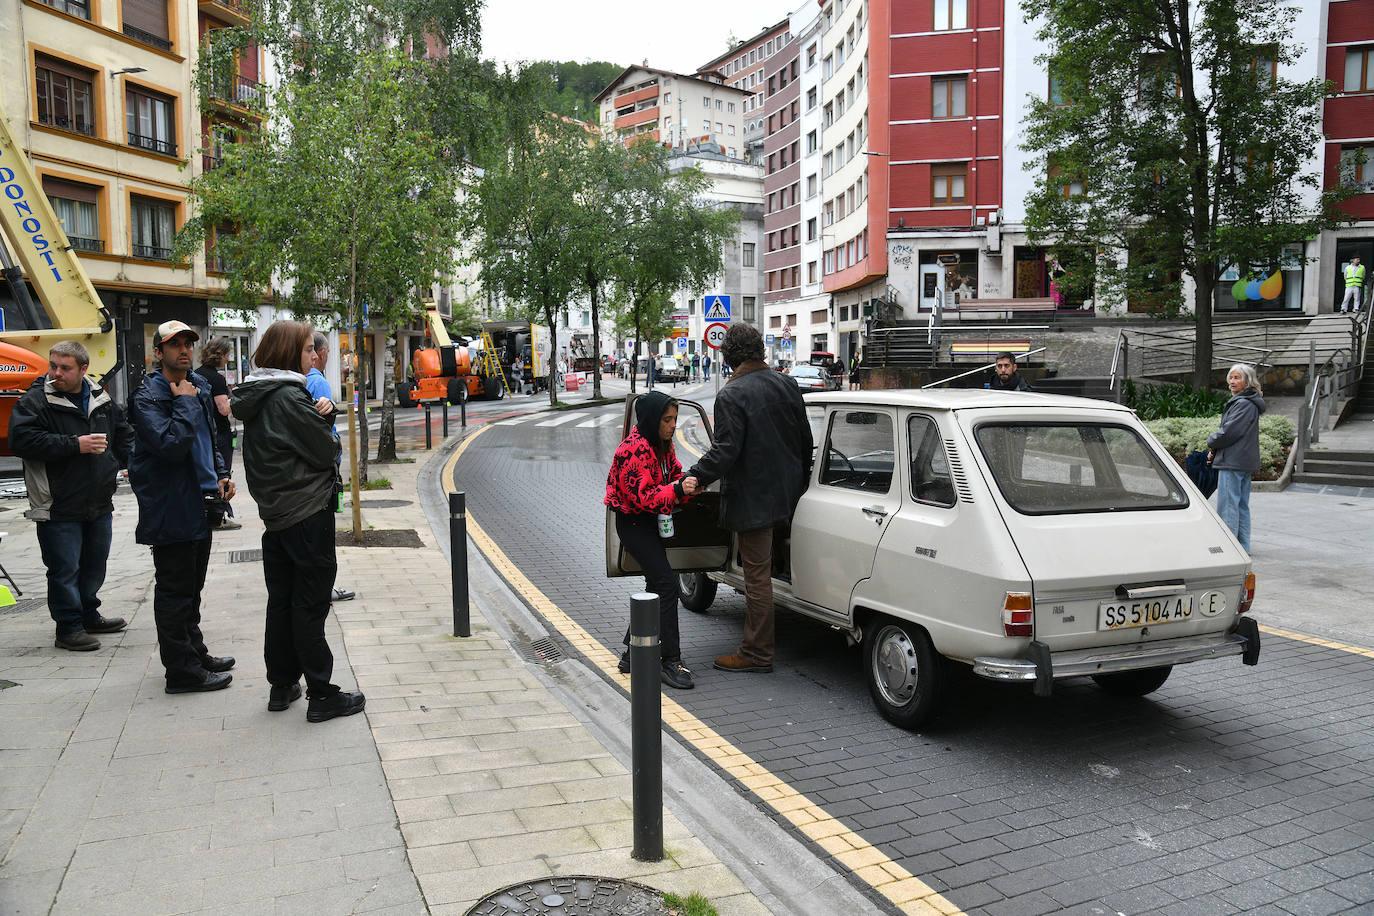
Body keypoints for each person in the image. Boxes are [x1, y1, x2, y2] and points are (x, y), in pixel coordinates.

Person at [232, 320, 366, 722]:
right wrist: (325, 420)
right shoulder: (291, 397)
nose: (314, 357)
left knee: (282, 602)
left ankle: (282, 684)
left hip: (276, 514)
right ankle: (322, 694)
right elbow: (326, 451)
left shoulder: (258, 393)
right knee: (310, 604)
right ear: (291, 352)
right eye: (308, 349)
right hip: (306, 511)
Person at [682, 324, 813, 674]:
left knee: (757, 577)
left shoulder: (732, 394)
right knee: (773, 564)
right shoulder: (787, 384)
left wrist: (694, 476)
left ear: (729, 356)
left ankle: (757, 652)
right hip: (789, 492)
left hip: (754, 499)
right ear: (759, 350)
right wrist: (800, 482)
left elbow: (725, 452)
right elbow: (805, 440)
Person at [128, 320, 237, 694]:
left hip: (201, 500)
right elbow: (170, 445)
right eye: (175, 344)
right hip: (170, 504)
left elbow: (208, 439)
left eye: (188, 343)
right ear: (159, 352)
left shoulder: (198, 386)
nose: (184, 350)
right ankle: (181, 672)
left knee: (192, 589)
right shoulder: (148, 397)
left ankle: (195, 654)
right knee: (174, 592)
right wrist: (185, 402)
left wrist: (221, 473)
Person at [10, 341, 132, 652]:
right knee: (64, 569)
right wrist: (74, 444)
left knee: (94, 564)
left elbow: (123, 434)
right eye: (53, 365)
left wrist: (121, 464)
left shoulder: (100, 397)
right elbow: (21, 440)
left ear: (83, 369)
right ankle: (68, 628)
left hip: (98, 500)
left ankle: (89, 615)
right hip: (57, 502)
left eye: (65, 368)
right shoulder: (36, 400)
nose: (56, 373)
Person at [604, 391, 696, 689]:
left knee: (657, 585)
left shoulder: (663, 445)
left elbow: (674, 473)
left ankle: (633, 654)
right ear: (652, 420)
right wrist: (678, 490)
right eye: (667, 420)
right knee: (667, 585)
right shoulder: (632, 450)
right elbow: (643, 497)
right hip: (633, 523)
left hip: (651, 521)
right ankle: (670, 661)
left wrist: (688, 482)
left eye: (675, 419)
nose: (673, 425)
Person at [306, 333, 355, 603]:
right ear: (322, 353)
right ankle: (325, 588)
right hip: (322, 470)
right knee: (323, 535)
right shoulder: (318, 382)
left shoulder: (299, 380)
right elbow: (325, 430)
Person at [1207, 364, 1266, 553]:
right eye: (1231, 377)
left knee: (1228, 506)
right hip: (1241, 460)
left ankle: (1230, 548)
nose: (1232, 381)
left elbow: (1229, 432)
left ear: (1247, 381)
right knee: (1240, 505)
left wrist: (1211, 440)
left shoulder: (1243, 404)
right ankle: (1242, 547)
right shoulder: (1248, 402)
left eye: (1237, 378)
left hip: (1232, 460)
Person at [198, 338, 241, 530]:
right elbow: (223, 409)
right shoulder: (217, 379)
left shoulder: (196, 374)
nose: (228, 359)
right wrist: (235, 398)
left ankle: (207, 513)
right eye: (227, 354)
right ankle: (219, 515)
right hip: (221, 433)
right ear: (220, 355)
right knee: (222, 474)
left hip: (204, 432)